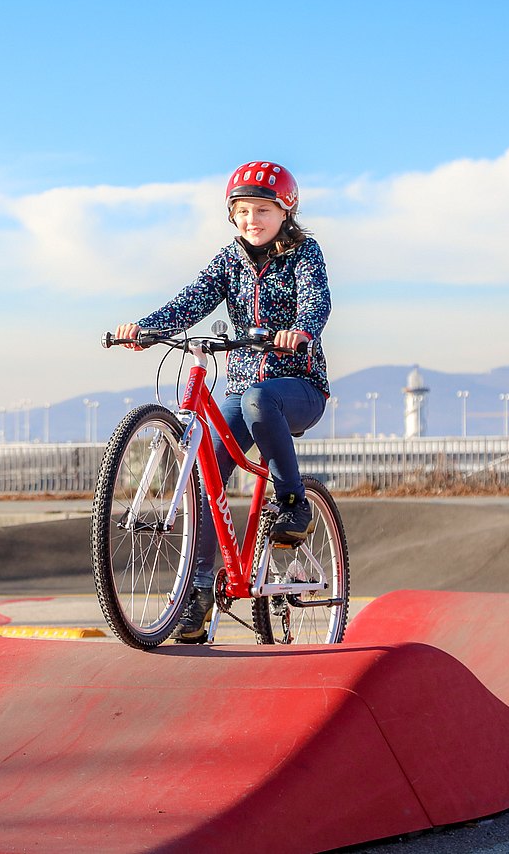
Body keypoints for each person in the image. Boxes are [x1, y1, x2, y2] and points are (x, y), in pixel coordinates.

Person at [115, 160, 330, 642]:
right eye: (242, 211)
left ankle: (294, 503)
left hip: (297, 386)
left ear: (285, 211)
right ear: (231, 216)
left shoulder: (304, 253)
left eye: (262, 210)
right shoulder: (228, 261)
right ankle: (197, 589)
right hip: (241, 388)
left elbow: (318, 299)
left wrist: (301, 331)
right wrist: (147, 330)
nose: (251, 219)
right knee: (205, 466)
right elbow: (192, 300)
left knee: (258, 399)